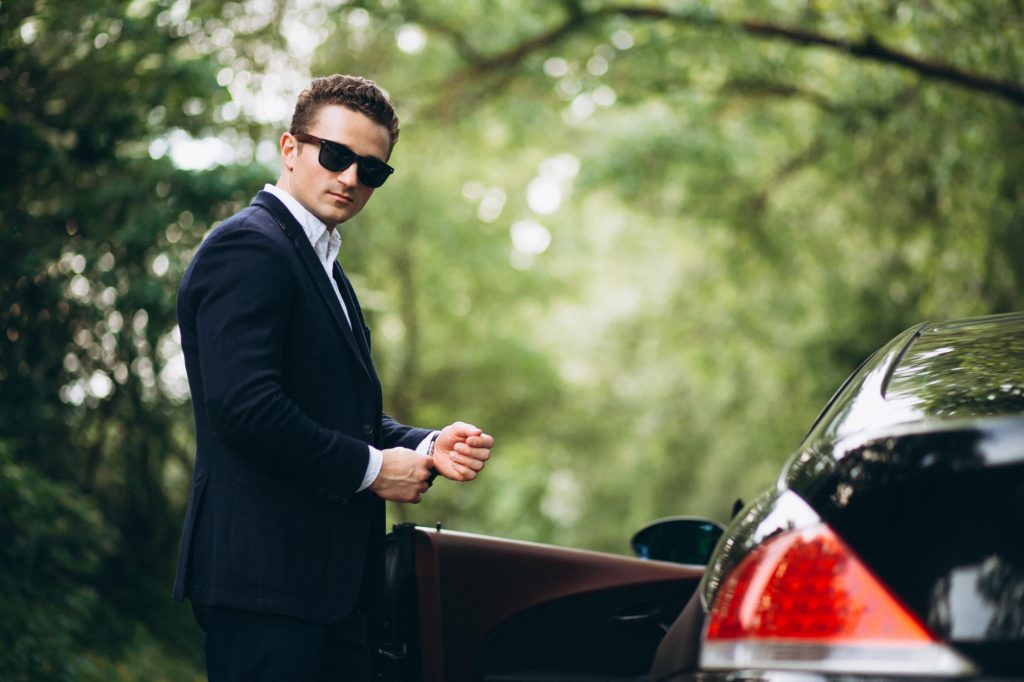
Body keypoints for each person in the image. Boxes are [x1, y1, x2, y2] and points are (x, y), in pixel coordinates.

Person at [171, 74, 494, 681]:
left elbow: (332, 412)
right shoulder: (249, 247)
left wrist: (423, 445)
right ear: (291, 149)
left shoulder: (321, 261)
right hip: (265, 584)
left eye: (371, 170)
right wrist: (373, 471)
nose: (350, 178)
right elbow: (245, 409)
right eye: (337, 155)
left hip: (329, 590)